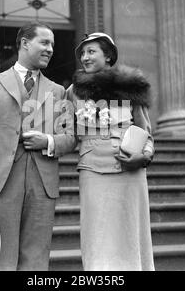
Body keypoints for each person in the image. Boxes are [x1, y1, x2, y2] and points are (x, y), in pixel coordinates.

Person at [0, 22, 76, 271]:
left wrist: (47, 141)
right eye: (45, 43)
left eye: (53, 45)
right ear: (25, 43)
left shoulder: (58, 92)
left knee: (36, 260)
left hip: (41, 185)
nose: (50, 50)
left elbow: (70, 137)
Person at [67, 32, 155, 271]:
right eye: (82, 53)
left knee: (130, 232)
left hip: (130, 171)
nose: (85, 57)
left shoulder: (130, 86)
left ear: (108, 56)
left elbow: (145, 130)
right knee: (97, 234)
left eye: (91, 51)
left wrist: (143, 156)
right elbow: (67, 133)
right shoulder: (74, 92)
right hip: (92, 171)